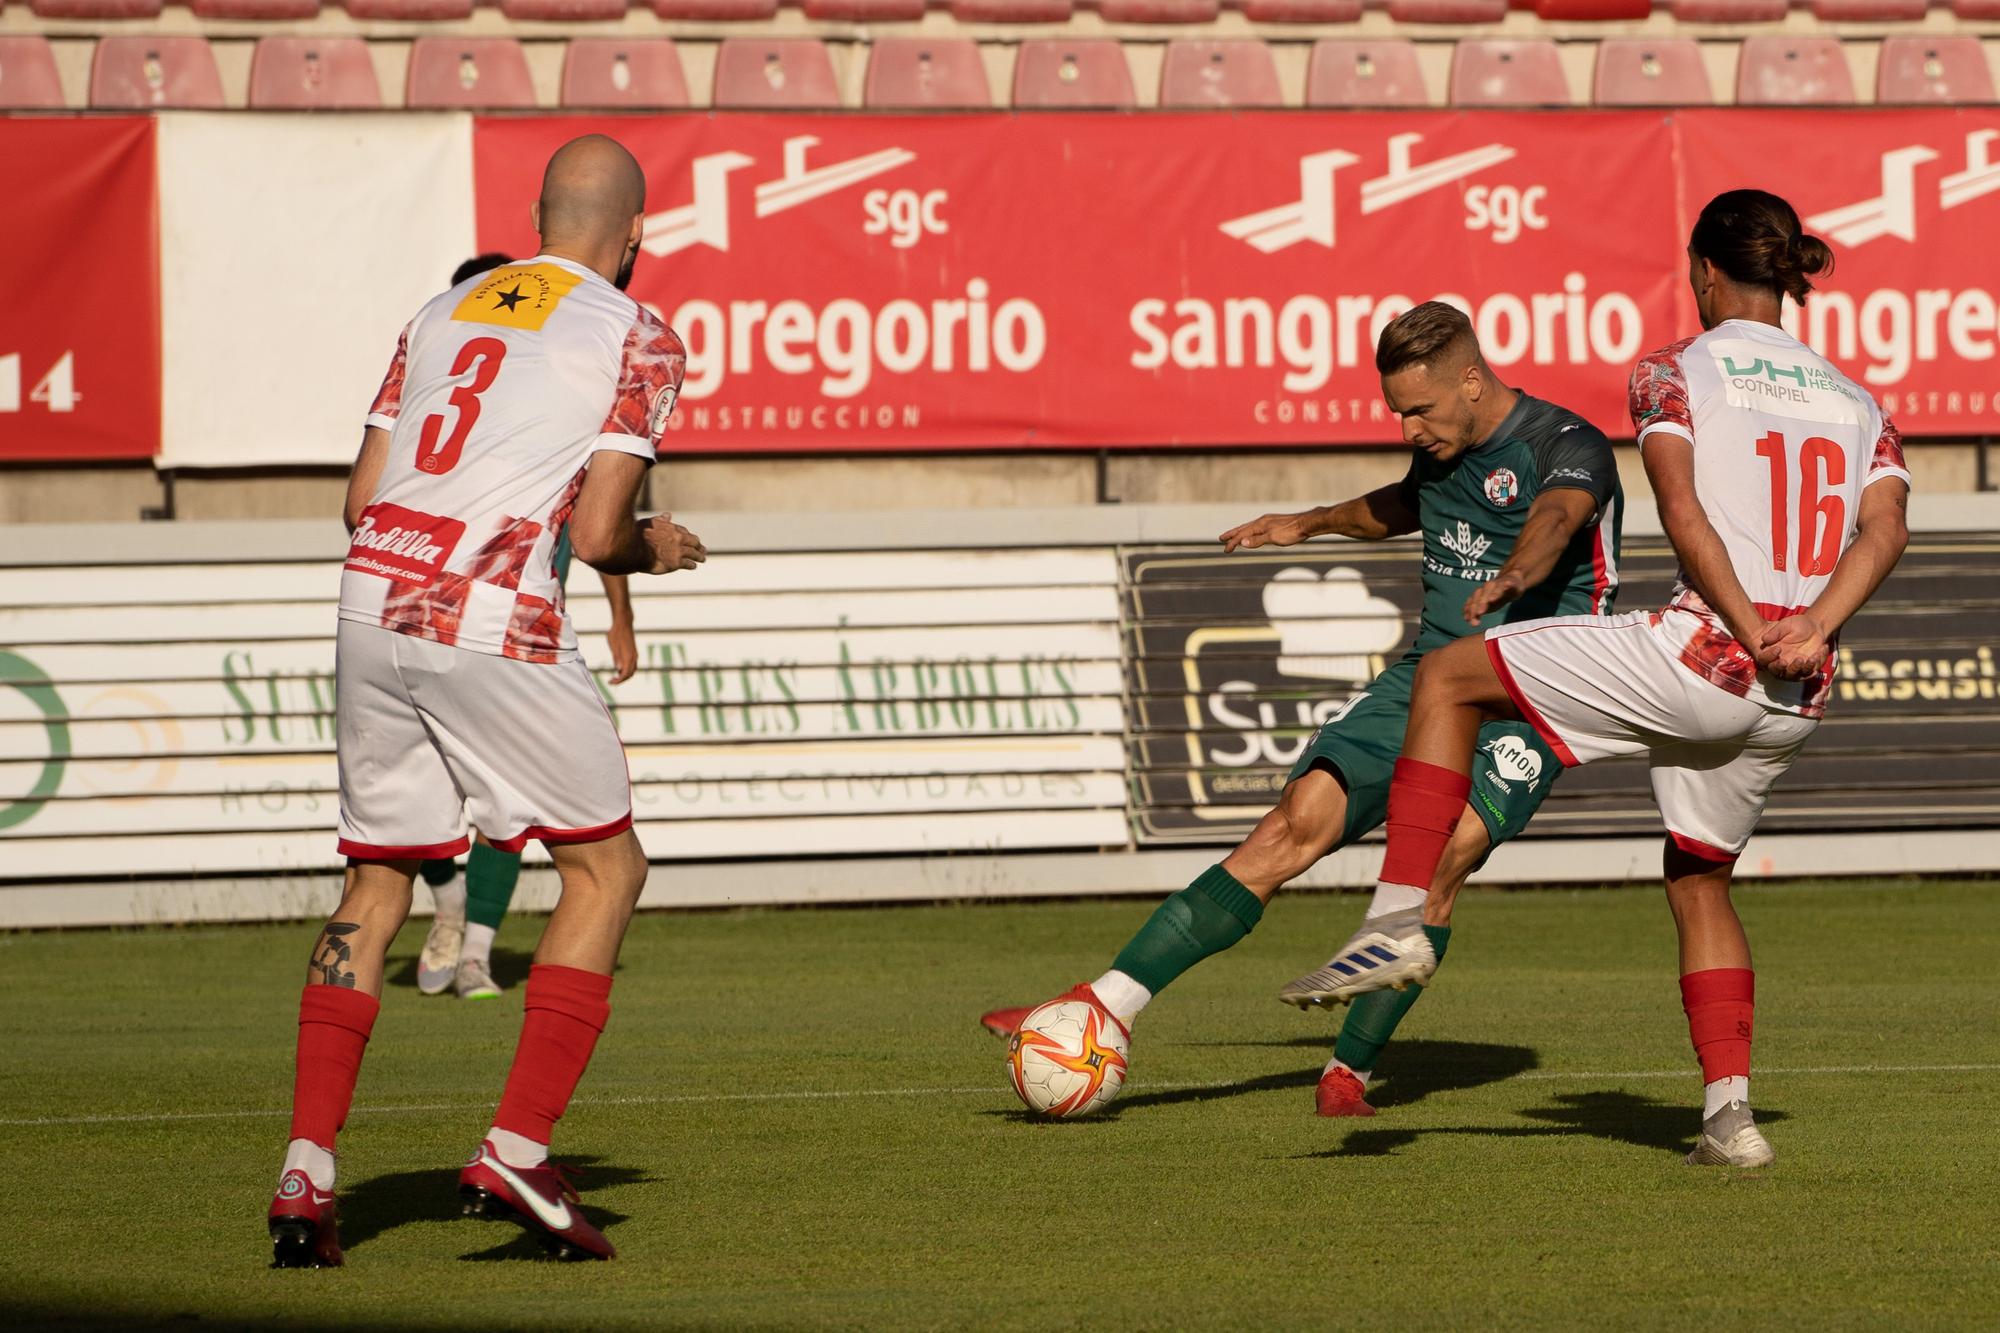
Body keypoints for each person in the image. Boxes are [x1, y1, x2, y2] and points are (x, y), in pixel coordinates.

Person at [1293, 190, 1911, 1168]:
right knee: (1699, 879)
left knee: (1450, 675)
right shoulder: (1856, 400)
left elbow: (1677, 507)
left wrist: (1748, 626)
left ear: (1705, 272)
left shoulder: (1671, 370)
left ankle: (1394, 922)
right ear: (1784, 275)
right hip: (1794, 689)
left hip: (1706, 652)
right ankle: (1728, 1120)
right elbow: (1884, 529)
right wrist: (1811, 629)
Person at [995, 301, 1624, 1117]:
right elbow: (1403, 504)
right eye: (1398, 413)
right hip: (1430, 676)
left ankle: (1348, 1073)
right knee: (1292, 823)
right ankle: (1106, 1002)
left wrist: (1517, 574)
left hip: (1536, 693)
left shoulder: (1566, 444)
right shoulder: (1441, 448)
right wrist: (1309, 523)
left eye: (1420, 411)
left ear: (1472, 379)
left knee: (1440, 859)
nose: (1409, 429)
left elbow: (1554, 518)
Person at [268, 134, 704, 1268]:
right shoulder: (640, 333)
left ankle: (307, 1173)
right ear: (637, 236)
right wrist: (651, 552)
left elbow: (362, 496)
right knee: (606, 867)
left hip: (374, 595)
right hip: (488, 606)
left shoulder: (439, 312)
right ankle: (516, 1145)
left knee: (376, 877)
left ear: (538, 212)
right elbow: (602, 530)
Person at [415, 252, 642, 1003]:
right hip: (416, 614)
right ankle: (448, 902)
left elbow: (598, 515)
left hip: (506, 625)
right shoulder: (435, 378)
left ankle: (474, 948)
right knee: (422, 804)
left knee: (507, 805)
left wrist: (618, 615)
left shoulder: (552, 392)